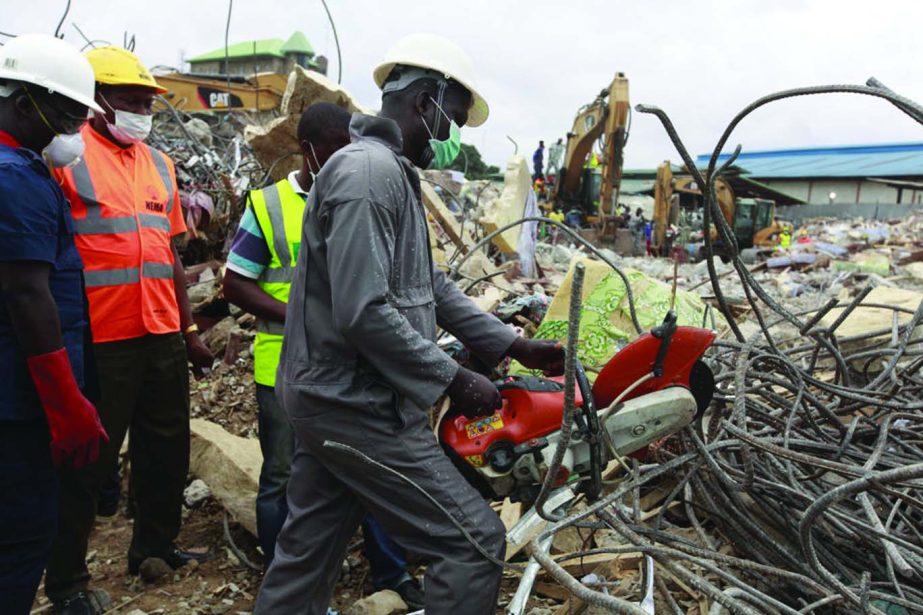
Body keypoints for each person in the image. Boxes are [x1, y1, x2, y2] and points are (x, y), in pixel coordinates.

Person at [254, 34, 564, 615]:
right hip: (355, 404)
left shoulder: (388, 172)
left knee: (305, 557)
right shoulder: (369, 176)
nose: (451, 140)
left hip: (338, 398)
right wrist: (453, 379)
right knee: (472, 544)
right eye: (453, 122)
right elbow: (364, 310)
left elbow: (432, 287)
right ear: (425, 101)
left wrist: (513, 345)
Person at [223, 102, 423, 608]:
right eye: (334, 152)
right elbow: (235, 282)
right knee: (283, 481)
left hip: (357, 371)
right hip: (285, 369)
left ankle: (390, 574)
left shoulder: (367, 192)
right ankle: (288, 582)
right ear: (308, 152)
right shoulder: (269, 205)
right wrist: (299, 316)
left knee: (371, 471)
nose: (345, 161)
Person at [45, 46, 215, 613]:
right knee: (88, 461)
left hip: (161, 331)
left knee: (165, 448)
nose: (143, 111)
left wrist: (188, 329)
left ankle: (155, 546)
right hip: (100, 337)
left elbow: (168, 255)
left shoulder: (159, 164)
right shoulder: (65, 159)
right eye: (131, 101)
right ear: (97, 102)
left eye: (148, 102)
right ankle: (66, 579)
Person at [0, 33, 109, 615]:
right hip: (18, 403)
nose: (73, 131)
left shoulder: (21, 168)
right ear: (23, 104)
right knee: (20, 539)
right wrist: (67, 406)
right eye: (66, 115)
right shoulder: (14, 177)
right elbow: (27, 294)